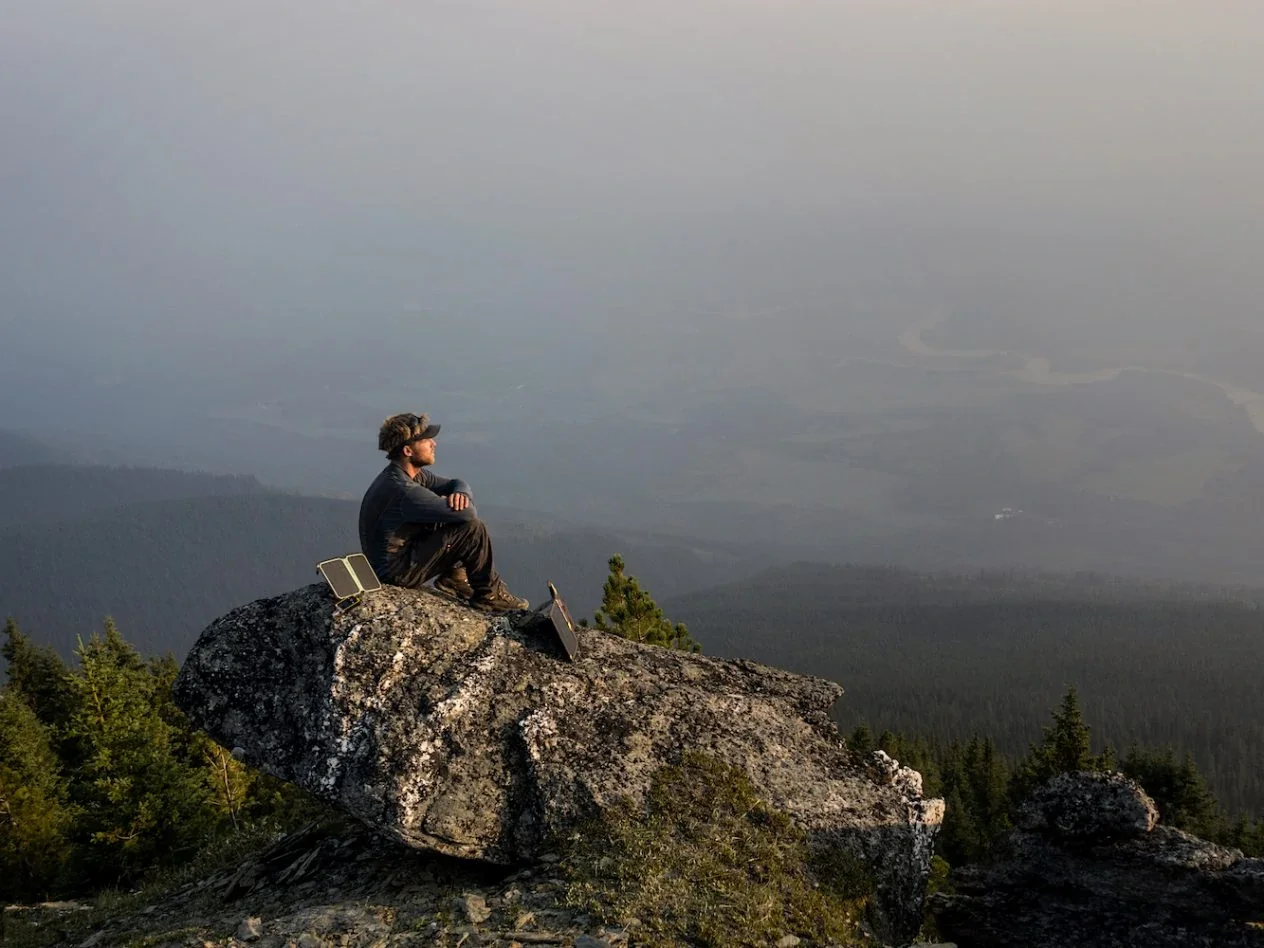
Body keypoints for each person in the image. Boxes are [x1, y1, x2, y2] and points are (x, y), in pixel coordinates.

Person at [359, 412, 529, 611]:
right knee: (473, 529)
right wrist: (459, 502)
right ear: (408, 450)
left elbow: (457, 483)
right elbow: (468, 515)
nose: (434, 444)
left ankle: (455, 578)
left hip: (393, 560)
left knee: (446, 517)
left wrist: (460, 493)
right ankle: (489, 595)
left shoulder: (407, 475)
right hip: (396, 572)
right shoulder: (405, 490)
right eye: (426, 440)